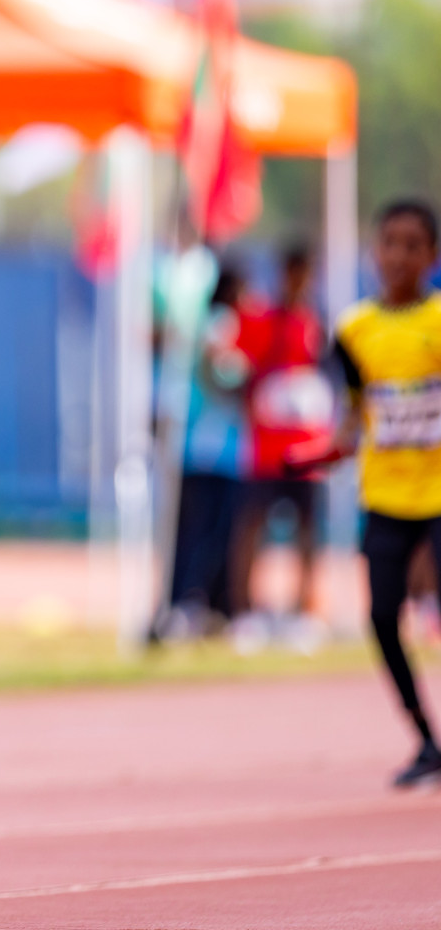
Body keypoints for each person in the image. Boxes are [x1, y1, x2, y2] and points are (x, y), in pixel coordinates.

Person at [296, 198, 441, 787]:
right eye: (390, 243)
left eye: (414, 245)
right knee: (383, 616)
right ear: (373, 252)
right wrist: (329, 447)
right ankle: (426, 740)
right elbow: (355, 415)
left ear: (432, 256)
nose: (400, 256)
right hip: (384, 494)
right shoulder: (354, 330)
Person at [229, 244, 335, 650]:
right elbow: (238, 373)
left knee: (308, 531)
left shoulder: (317, 325)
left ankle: (303, 611)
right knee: (252, 526)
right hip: (266, 449)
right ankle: (247, 613)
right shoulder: (260, 321)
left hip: (307, 449)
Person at [164, 263, 250, 633]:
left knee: (209, 532)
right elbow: (222, 374)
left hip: (212, 446)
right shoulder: (221, 322)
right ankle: (189, 602)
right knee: (206, 531)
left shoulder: (208, 323)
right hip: (211, 447)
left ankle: (205, 603)